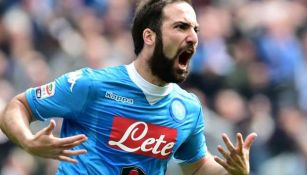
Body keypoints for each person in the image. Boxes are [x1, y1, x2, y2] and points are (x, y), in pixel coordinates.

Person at [0, 0, 257, 174]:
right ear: (149, 36)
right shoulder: (92, 85)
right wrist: (28, 141)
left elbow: (198, 166)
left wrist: (232, 171)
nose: (193, 37)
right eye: (181, 27)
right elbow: (18, 106)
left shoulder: (188, 108)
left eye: (195, 29)